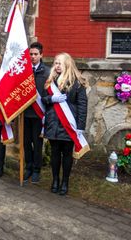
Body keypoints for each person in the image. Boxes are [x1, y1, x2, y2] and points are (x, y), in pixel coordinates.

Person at [42, 53, 88, 196]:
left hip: (69, 125)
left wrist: (80, 127)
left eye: (59, 63)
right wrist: (51, 98)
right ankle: (55, 180)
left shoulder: (77, 83)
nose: (56, 66)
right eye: (55, 63)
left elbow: (82, 106)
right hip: (53, 124)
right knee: (55, 154)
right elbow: (43, 100)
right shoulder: (50, 81)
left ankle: (65, 182)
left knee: (67, 155)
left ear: (67, 64)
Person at [23, 41, 50, 183]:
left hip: (39, 114)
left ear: (41, 55)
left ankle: (37, 169)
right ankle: (28, 166)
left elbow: (49, 93)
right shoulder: (24, 71)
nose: (32, 56)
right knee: (26, 142)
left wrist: (45, 101)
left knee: (37, 143)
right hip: (25, 113)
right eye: (31, 54)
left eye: (35, 54)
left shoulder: (47, 72)